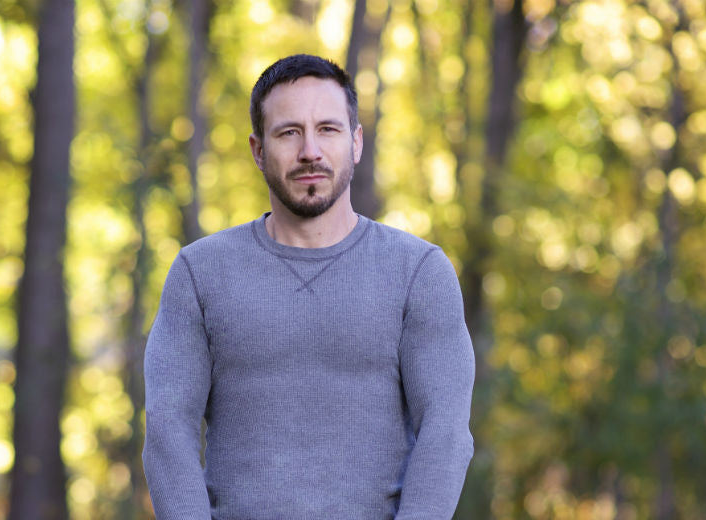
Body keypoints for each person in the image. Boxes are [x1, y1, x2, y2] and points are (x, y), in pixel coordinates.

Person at [142, 54, 474, 519]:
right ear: (258, 150)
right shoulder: (200, 273)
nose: (310, 151)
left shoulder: (419, 272)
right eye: (289, 132)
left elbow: (446, 432)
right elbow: (167, 430)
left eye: (328, 129)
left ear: (356, 142)